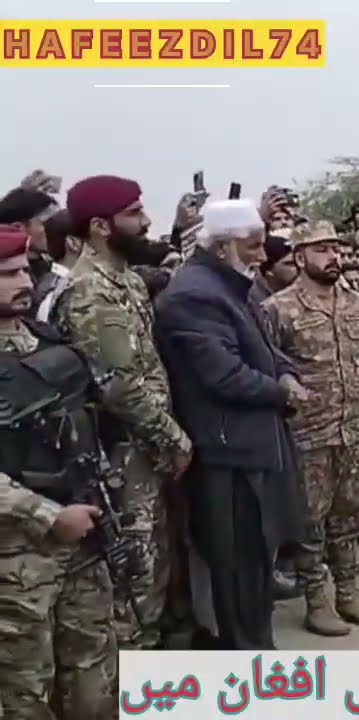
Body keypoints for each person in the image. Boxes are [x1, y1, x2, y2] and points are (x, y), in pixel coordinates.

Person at [153, 200, 305, 650]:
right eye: (254, 246)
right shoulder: (195, 294)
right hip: (227, 455)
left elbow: (260, 349)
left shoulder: (231, 284)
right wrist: (284, 392)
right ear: (222, 247)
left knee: (256, 565)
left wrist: (284, 371)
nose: (263, 256)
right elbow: (223, 373)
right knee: (237, 570)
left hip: (248, 447)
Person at [52, 175, 192, 649]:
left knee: (158, 567)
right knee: (134, 582)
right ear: (100, 226)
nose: (146, 220)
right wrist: (172, 438)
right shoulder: (90, 292)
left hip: (148, 451)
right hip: (123, 455)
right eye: (133, 213)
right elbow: (119, 386)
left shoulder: (127, 281)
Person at [0, 224, 118, 719]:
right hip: (16, 558)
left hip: (82, 539)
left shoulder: (44, 339)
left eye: (23, 269)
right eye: (6, 274)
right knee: (24, 694)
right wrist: (48, 515)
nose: (22, 280)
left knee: (95, 681)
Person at [264, 220, 359, 636]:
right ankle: (317, 601)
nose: (333, 257)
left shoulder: (357, 305)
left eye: (336, 249)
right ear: (299, 258)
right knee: (310, 522)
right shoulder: (278, 309)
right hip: (307, 435)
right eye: (321, 250)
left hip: (352, 428)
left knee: (350, 515)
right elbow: (271, 367)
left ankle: (348, 593)